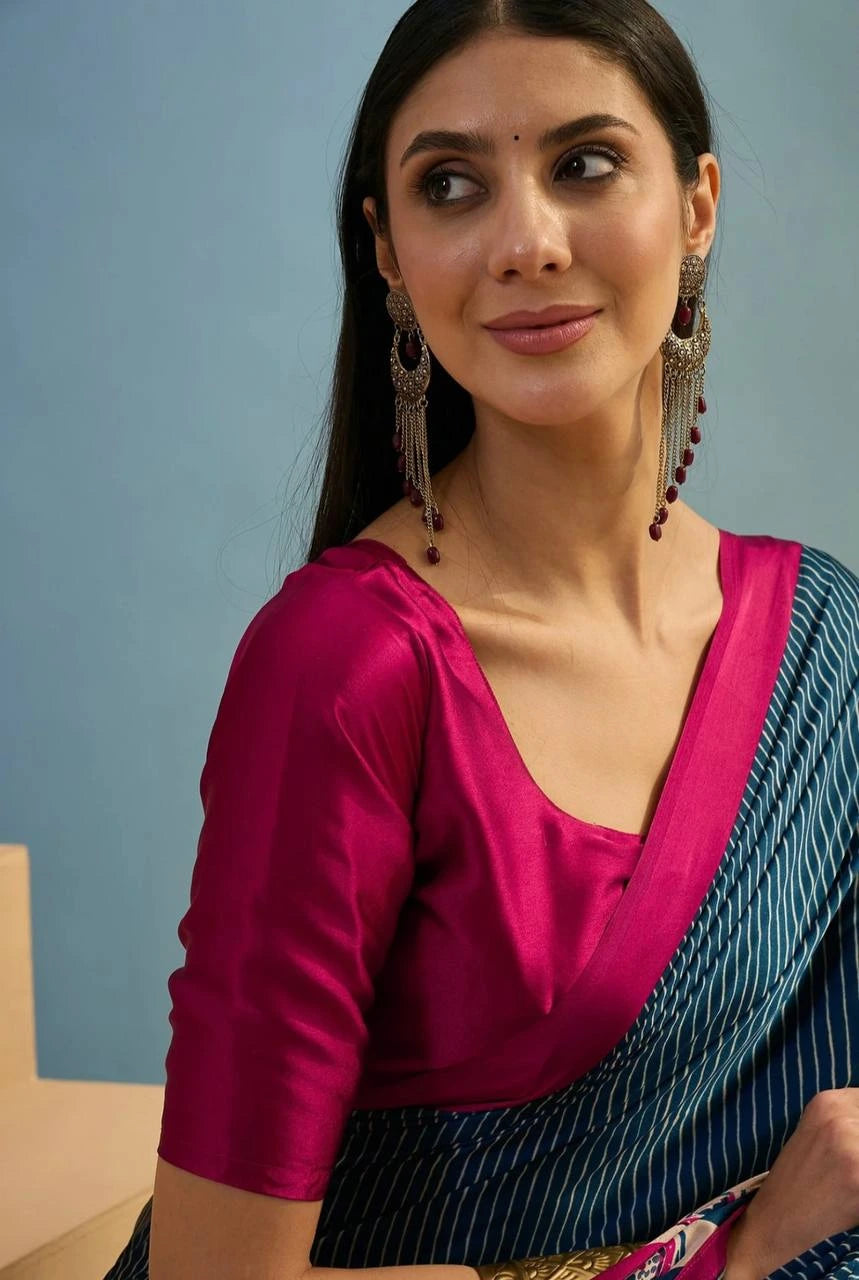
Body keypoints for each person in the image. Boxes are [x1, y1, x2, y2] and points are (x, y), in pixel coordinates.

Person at [105, 2, 859, 1277]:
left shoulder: (825, 643)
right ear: (389, 250)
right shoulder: (345, 664)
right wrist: (729, 1261)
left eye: (583, 164)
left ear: (696, 205)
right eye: (449, 184)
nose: (524, 241)